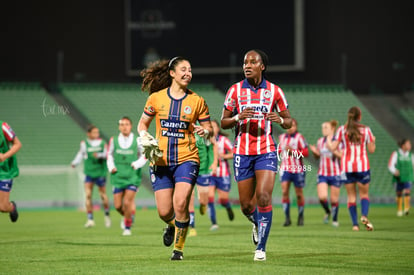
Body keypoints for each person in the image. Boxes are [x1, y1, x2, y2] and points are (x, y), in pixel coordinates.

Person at [138, 57, 212, 260]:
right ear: (172, 73)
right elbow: (142, 124)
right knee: (164, 212)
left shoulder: (197, 101)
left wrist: (205, 132)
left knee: (181, 204)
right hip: (160, 161)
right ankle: (172, 226)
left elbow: (209, 128)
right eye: (183, 69)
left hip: (187, 159)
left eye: (190, 69)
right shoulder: (156, 98)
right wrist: (144, 136)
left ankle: (178, 250)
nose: (188, 73)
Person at [221, 49, 292, 261]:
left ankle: (261, 247)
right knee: (246, 205)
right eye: (245, 62)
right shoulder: (234, 91)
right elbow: (223, 122)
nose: (247, 65)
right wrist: (237, 117)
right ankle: (255, 221)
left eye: (252, 62)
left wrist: (279, 119)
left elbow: (288, 121)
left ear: (262, 66)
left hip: (266, 150)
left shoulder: (274, 91)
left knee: (263, 196)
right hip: (242, 152)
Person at [330, 106, 376, 231]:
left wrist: (331, 141)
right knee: (364, 194)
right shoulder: (366, 130)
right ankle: (364, 216)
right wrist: (373, 142)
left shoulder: (341, 130)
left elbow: (333, 148)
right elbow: (371, 150)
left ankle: (355, 225)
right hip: (362, 166)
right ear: (359, 117)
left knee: (351, 196)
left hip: (347, 167)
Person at [107, 117, 147, 236]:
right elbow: (109, 155)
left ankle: (127, 227)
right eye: (122, 124)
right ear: (119, 127)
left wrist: (137, 164)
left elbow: (145, 155)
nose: (124, 127)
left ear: (131, 126)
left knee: (127, 202)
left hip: (132, 176)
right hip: (118, 176)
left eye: (127, 124)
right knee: (118, 206)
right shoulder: (113, 140)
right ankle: (128, 215)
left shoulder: (137, 140)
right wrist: (111, 167)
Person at [71, 125, 111, 228]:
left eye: (97, 132)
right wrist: (74, 163)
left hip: (100, 173)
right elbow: (81, 154)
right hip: (89, 173)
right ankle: (90, 219)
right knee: (88, 195)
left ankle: (107, 215)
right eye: (94, 132)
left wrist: (99, 155)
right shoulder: (84, 144)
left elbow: (107, 154)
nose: (96, 134)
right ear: (88, 133)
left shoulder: (102, 143)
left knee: (103, 195)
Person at [309, 120, 343, 227]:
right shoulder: (320, 141)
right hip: (323, 173)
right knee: (322, 197)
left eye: (326, 128)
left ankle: (335, 220)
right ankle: (328, 211)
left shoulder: (338, 142)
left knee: (334, 200)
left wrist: (332, 150)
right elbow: (318, 157)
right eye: (323, 128)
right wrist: (315, 153)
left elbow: (342, 156)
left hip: (335, 173)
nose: (323, 130)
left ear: (332, 129)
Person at [278, 118, 309, 227]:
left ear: (296, 127)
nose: (291, 128)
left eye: (293, 126)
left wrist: (293, 152)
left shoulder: (299, 138)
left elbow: (306, 152)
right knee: (285, 191)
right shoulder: (281, 138)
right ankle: (287, 218)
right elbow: (279, 151)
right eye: (289, 126)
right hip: (285, 168)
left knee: (299, 194)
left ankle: (300, 216)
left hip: (298, 169)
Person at [188, 130, 217, 236]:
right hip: (187, 169)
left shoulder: (202, 131)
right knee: (189, 198)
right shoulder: (183, 128)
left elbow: (214, 145)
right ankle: (192, 227)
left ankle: (203, 205)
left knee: (203, 200)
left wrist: (214, 162)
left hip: (203, 169)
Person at [208, 119, 234, 230]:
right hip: (210, 174)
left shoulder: (224, 140)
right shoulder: (205, 140)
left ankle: (228, 207)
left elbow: (234, 152)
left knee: (223, 200)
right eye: (210, 127)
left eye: (214, 126)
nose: (212, 129)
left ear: (218, 129)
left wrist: (224, 156)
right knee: (210, 198)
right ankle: (214, 223)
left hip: (223, 174)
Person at [0, 121, 21, 223]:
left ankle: (11, 207)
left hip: (4, 171)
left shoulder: (3, 126)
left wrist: (4, 156)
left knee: (3, 207)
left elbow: (17, 144)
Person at [388, 138, 413, 216]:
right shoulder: (396, 154)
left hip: (408, 176)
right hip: (399, 177)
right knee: (399, 193)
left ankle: (406, 209)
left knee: (407, 191)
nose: (410, 146)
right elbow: (390, 165)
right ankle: (399, 209)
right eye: (408, 144)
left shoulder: (411, 155)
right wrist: (395, 171)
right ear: (403, 145)